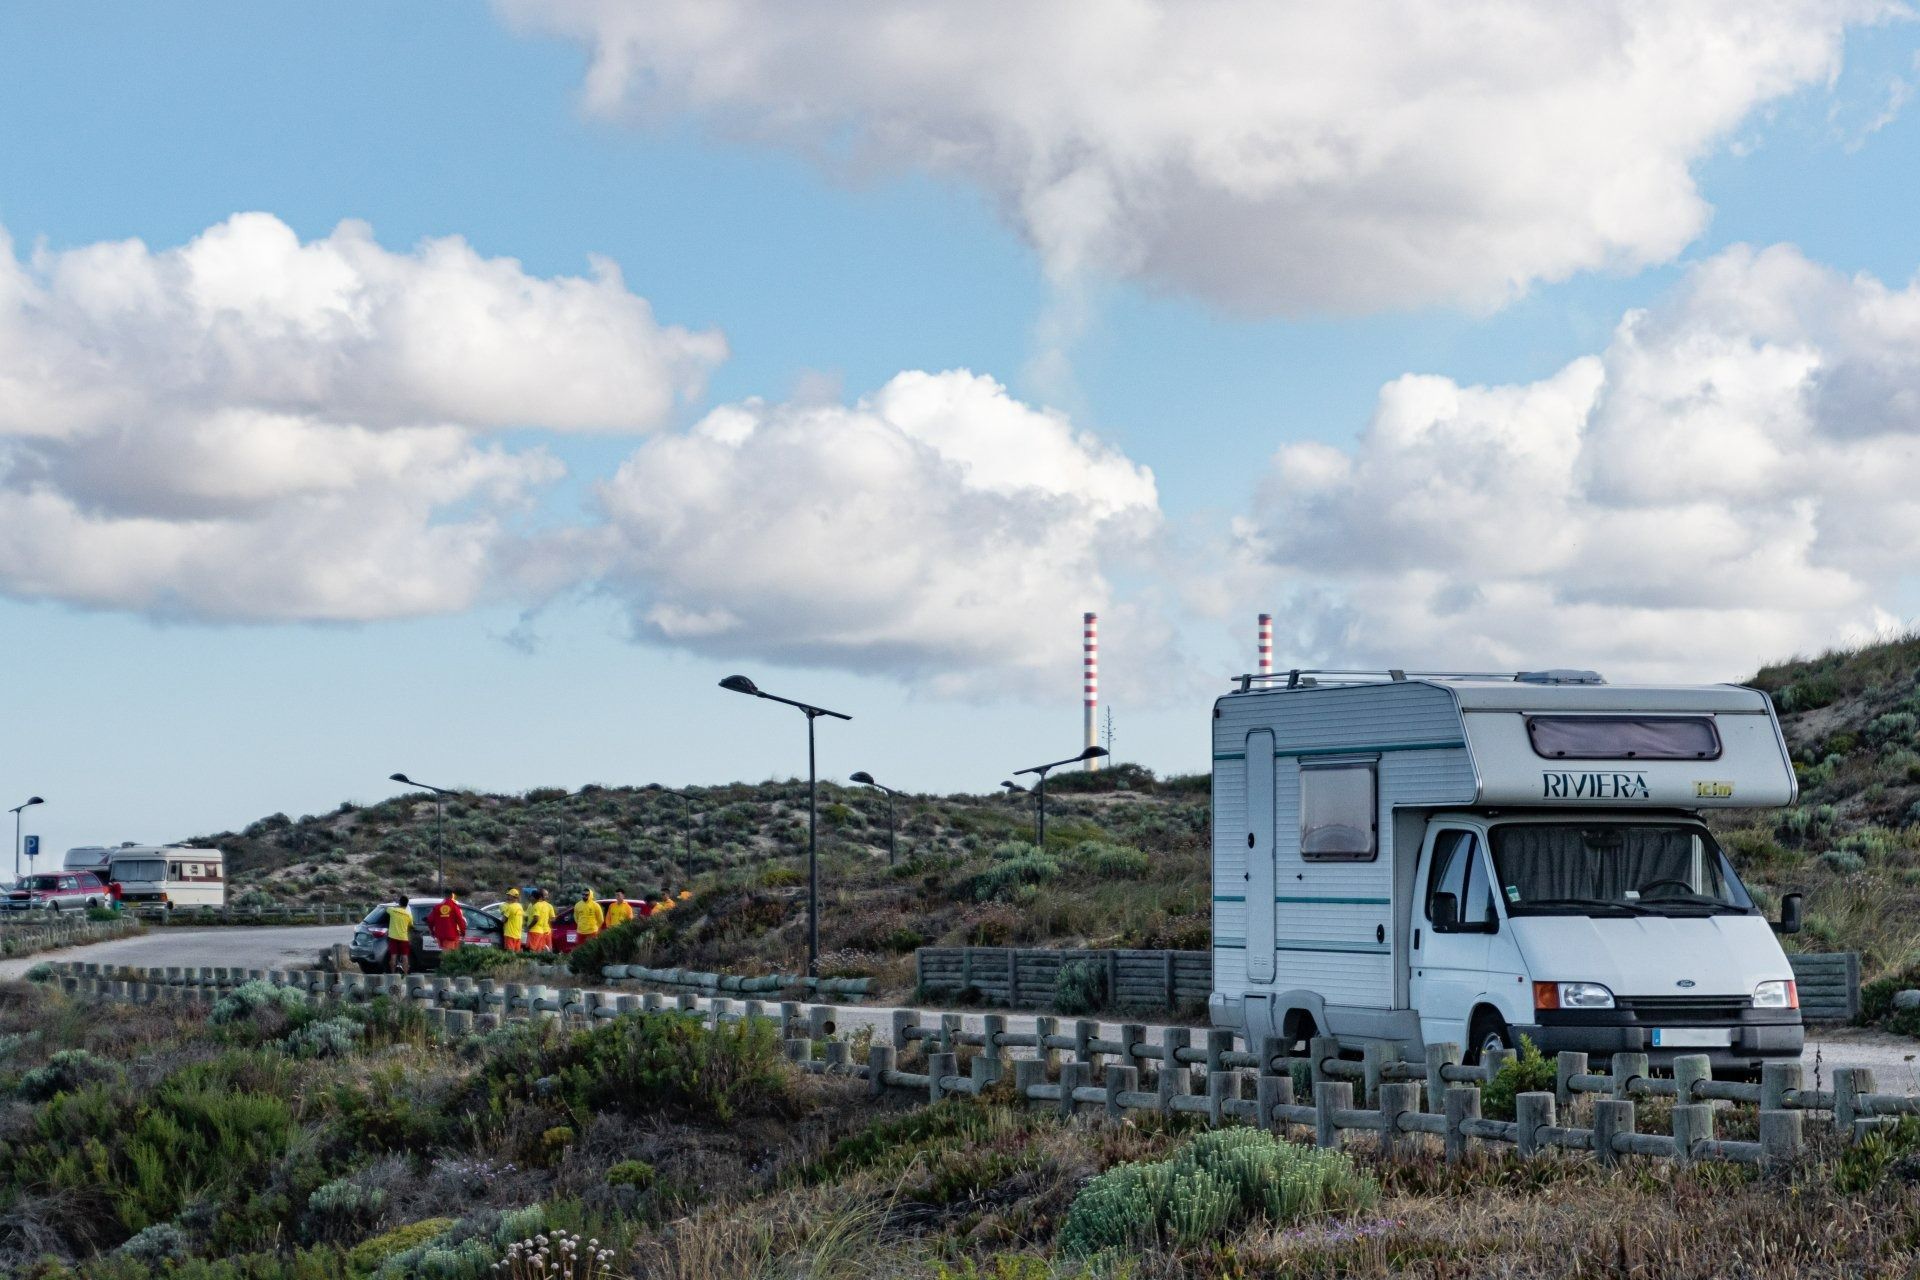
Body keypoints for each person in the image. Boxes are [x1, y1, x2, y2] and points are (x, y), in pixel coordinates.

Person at [384, 894, 415, 976]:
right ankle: (405, 975)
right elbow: (411, 925)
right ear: (407, 904)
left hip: (393, 937)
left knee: (393, 955)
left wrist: (396, 905)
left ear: (399, 903)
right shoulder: (408, 915)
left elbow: (386, 909)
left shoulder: (392, 910)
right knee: (405, 956)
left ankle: (393, 974)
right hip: (404, 938)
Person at [430, 889, 466, 954]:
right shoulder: (454, 906)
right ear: (452, 895)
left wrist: (432, 932)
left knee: (447, 956)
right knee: (448, 958)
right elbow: (460, 920)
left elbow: (430, 920)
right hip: (451, 935)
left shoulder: (437, 907)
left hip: (440, 936)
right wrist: (463, 933)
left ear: (444, 895)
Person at [527, 888, 555, 953]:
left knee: (534, 950)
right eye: (545, 895)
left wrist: (528, 927)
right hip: (542, 931)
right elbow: (553, 918)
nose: (547, 897)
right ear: (541, 896)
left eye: (547, 895)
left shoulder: (536, 905)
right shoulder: (533, 905)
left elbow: (536, 918)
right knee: (543, 950)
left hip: (538, 930)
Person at [500, 887, 526, 953]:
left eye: (509, 895)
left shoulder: (510, 907)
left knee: (509, 954)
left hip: (510, 934)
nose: (508, 897)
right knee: (517, 954)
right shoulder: (520, 907)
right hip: (518, 935)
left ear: (513, 896)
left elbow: (503, 920)